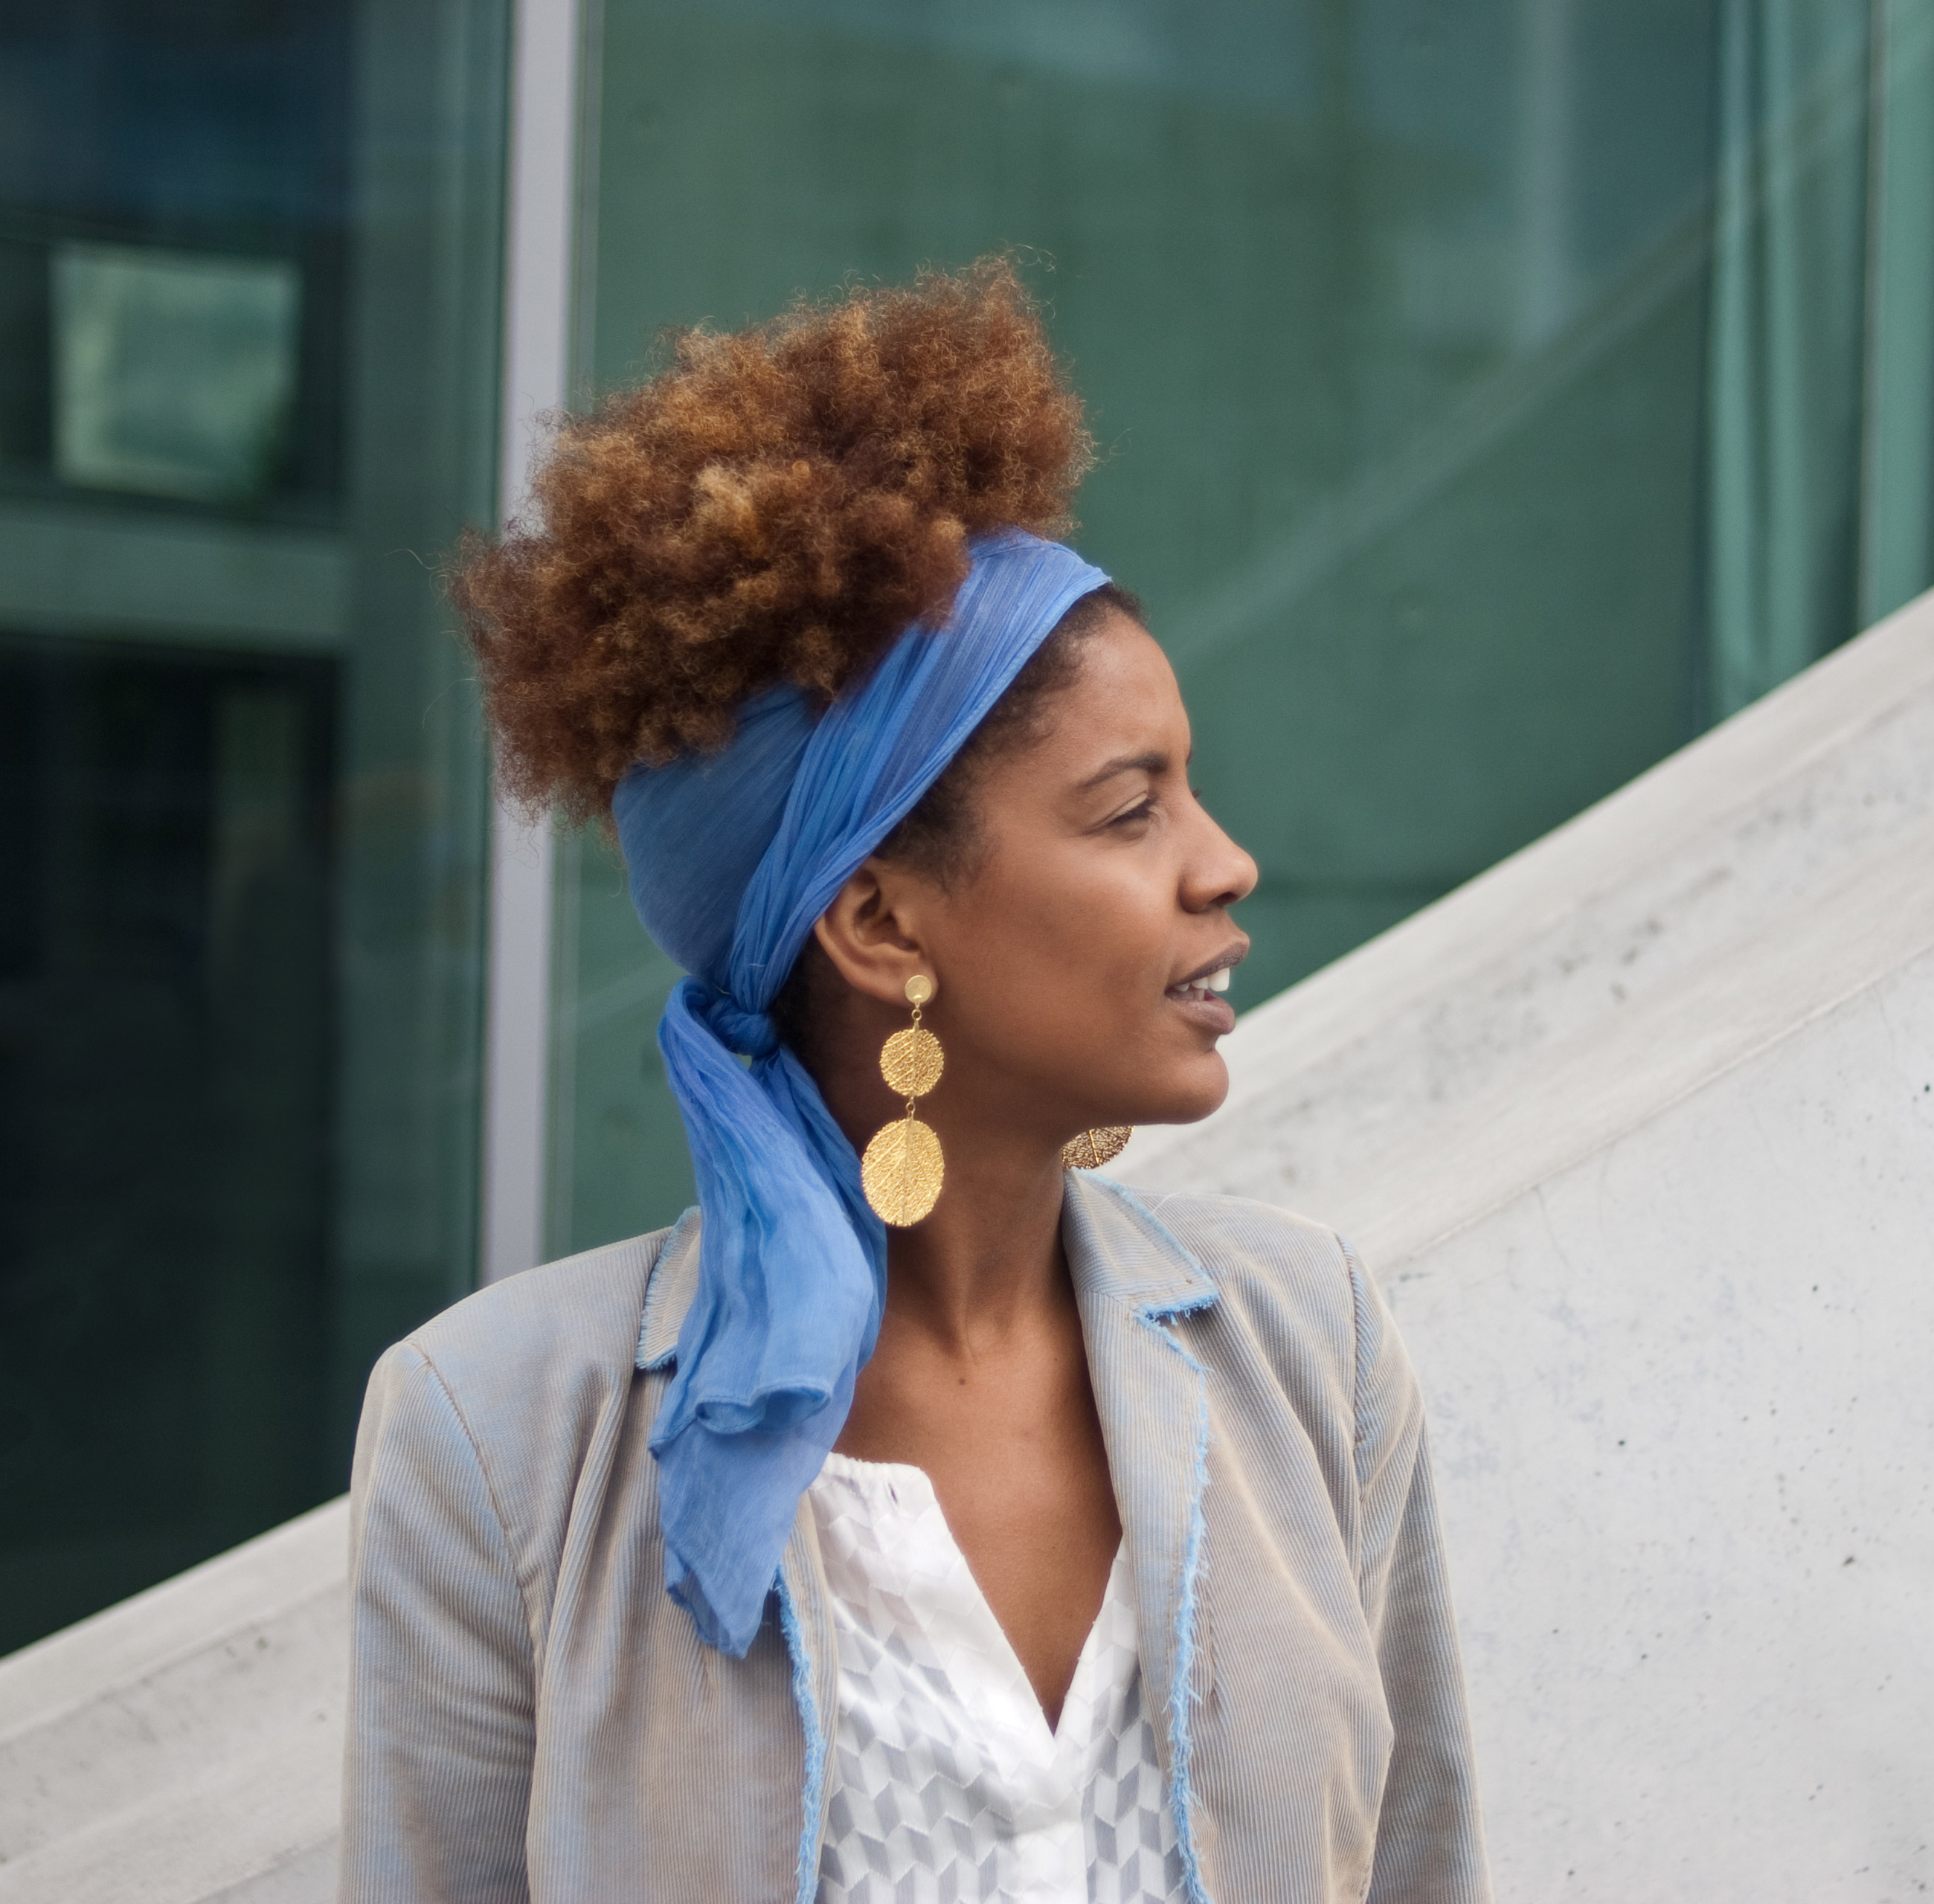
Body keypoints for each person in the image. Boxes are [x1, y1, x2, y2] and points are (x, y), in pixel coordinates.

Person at [338, 261, 1489, 1904]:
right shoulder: (502, 1430)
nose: (1225, 862)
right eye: (1128, 807)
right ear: (879, 919)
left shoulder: (1315, 1350)